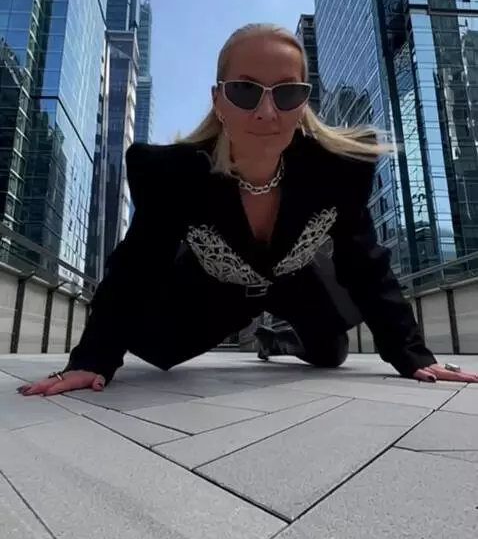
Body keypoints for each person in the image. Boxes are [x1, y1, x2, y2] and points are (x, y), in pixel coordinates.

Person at [18, 23, 478, 397]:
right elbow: (137, 265)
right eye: (245, 90)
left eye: (285, 93)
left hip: (301, 280)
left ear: (303, 103)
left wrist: (416, 356)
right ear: (218, 99)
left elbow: (365, 263)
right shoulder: (170, 172)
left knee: (330, 355)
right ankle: (249, 328)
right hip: (211, 289)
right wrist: (90, 362)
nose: (266, 112)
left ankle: (276, 339)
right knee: (157, 350)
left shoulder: (340, 169)